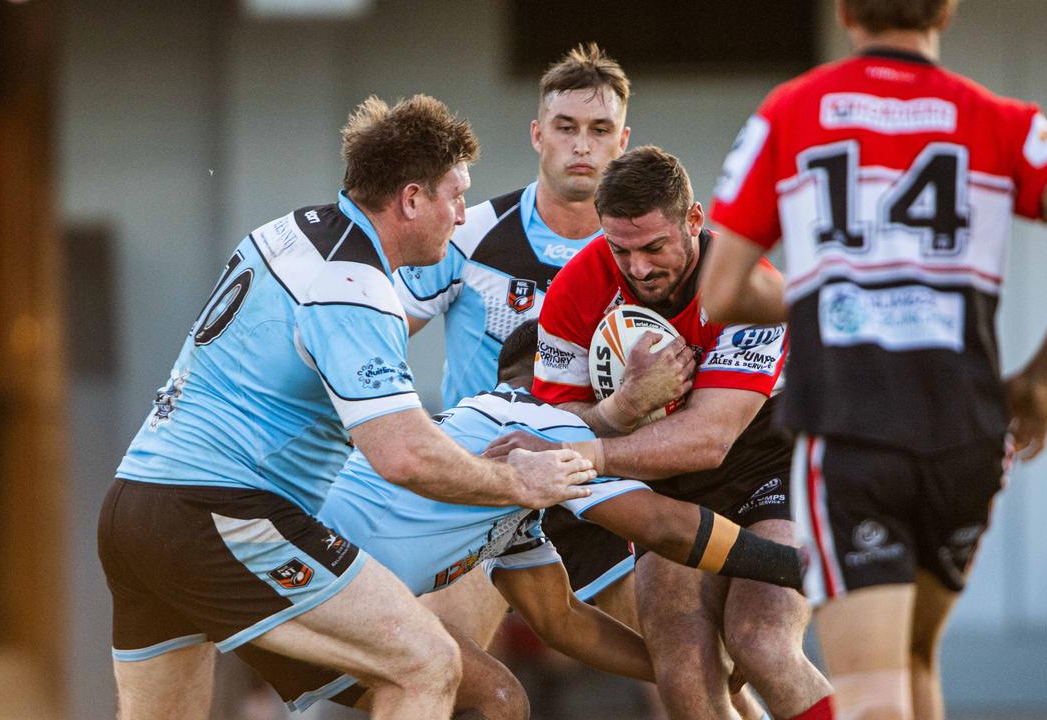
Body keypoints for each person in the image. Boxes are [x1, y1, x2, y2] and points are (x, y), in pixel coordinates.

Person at [96, 94, 600, 720]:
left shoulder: (290, 231)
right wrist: (518, 481)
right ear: (411, 200)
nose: (462, 214)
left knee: (488, 696)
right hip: (220, 515)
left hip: (136, 507)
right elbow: (404, 455)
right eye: (454, 195)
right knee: (429, 664)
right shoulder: (354, 284)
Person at [700, 2, 1047, 719]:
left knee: (872, 696)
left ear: (843, 11)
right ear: (946, 9)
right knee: (916, 660)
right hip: (967, 433)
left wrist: (829, 288)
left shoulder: (793, 110)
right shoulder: (1002, 118)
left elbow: (721, 290)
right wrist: (1044, 376)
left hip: (852, 433)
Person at [238, 319, 804, 718]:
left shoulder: (513, 477)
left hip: (308, 597)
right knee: (487, 696)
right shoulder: (540, 424)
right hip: (313, 591)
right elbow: (664, 527)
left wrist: (681, 667)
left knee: (471, 693)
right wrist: (801, 569)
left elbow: (561, 619)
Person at [493, 146, 835, 719]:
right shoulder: (578, 288)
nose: (640, 267)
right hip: (665, 480)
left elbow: (710, 439)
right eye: (620, 249)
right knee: (680, 664)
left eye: (655, 247)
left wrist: (581, 453)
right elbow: (553, 420)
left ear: (694, 221)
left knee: (762, 641)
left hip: (770, 463)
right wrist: (624, 405)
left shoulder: (746, 285)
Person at [395, 41, 640, 651]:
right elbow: (376, 333)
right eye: (566, 127)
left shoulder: (647, 255)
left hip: (597, 477)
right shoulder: (471, 233)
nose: (581, 145)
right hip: (487, 481)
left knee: (682, 666)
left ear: (623, 141)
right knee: (451, 673)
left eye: (598, 129)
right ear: (538, 134)